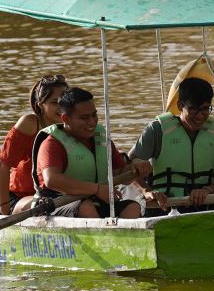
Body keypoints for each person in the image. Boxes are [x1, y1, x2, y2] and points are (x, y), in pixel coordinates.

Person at [34, 86, 155, 218]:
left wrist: (135, 166)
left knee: (132, 207)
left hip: (95, 202)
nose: (92, 122)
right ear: (65, 119)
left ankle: (120, 237)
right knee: (86, 207)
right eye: (84, 117)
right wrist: (96, 189)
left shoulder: (100, 138)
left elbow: (119, 171)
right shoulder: (52, 144)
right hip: (55, 205)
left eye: (94, 115)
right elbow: (52, 180)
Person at [131, 77, 214, 212]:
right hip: (164, 205)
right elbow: (128, 169)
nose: (200, 116)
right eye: (194, 109)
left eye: (205, 109)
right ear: (180, 106)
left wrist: (208, 190)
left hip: (206, 205)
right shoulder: (156, 130)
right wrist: (147, 192)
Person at [0, 73, 67, 214]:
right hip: (22, 198)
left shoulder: (74, 124)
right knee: (41, 204)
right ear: (41, 103)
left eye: (64, 101)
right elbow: (3, 165)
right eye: (54, 102)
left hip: (59, 197)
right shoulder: (30, 123)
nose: (61, 106)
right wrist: (4, 210)